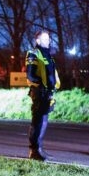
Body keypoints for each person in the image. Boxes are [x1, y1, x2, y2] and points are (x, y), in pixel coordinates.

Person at [25, 30, 61, 161]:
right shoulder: (34, 53)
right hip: (39, 92)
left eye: (49, 39)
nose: (48, 41)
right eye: (45, 39)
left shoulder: (48, 55)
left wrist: (52, 88)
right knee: (38, 121)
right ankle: (34, 150)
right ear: (38, 41)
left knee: (43, 121)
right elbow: (30, 75)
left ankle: (39, 149)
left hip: (47, 93)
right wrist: (41, 86)